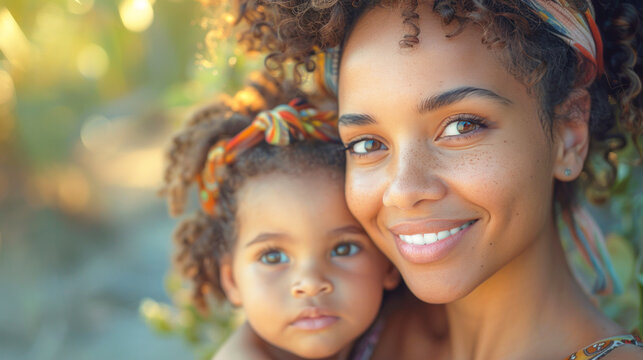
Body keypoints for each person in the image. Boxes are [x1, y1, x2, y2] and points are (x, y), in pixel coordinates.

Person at [232, 0, 643, 359]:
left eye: (462, 126)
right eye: (366, 144)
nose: (404, 191)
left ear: (569, 134)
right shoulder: (345, 326)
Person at [160, 76, 400, 360]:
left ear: (388, 262)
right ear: (232, 281)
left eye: (343, 249)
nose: (310, 283)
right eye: (273, 257)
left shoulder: (408, 326)